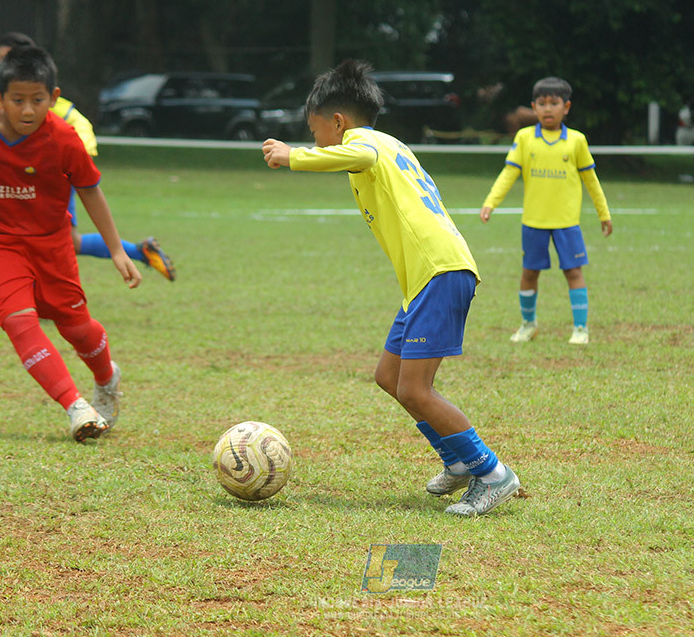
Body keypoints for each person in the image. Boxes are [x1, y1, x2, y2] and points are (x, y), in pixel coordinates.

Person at [262, 59, 520, 517]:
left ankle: (493, 473)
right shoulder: (391, 142)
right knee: (390, 378)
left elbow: (357, 155)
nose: (314, 139)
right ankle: (457, 459)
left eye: (314, 130)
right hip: (427, 278)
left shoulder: (364, 143)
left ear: (337, 122)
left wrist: (294, 156)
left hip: (440, 272)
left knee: (418, 390)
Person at [0, 44, 141, 442]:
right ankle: (75, 407)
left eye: (37, 100)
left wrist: (117, 249)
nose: (28, 110)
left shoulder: (64, 140)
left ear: (54, 98)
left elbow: (90, 191)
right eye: (18, 100)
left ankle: (106, 378)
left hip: (50, 246)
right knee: (19, 321)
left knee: (77, 327)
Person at [0, 33, 176, 282]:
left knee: (55, 240)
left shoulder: (48, 101)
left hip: (52, 181)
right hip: (19, 182)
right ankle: (138, 251)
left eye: (5, 59)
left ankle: (54, 291)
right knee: (56, 240)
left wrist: (82, 153)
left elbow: (79, 123)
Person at [480, 76, 612, 345]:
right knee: (529, 273)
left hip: (566, 223)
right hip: (534, 222)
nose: (548, 108)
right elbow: (508, 174)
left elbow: (591, 181)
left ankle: (580, 329)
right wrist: (491, 202)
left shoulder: (576, 141)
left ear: (567, 107)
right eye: (542, 103)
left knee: (574, 272)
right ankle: (528, 325)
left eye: (554, 103)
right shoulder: (524, 138)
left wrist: (604, 213)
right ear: (533, 107)